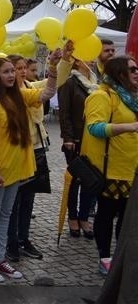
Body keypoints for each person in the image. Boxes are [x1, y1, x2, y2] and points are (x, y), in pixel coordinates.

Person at [0, 50, 59, 283]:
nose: (12, 75)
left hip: (17, 166)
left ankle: (0, 258)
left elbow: (48, 92)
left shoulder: (20, 96)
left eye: (13, 71)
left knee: (5, 214)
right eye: (6, 72)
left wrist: (52, 67)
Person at [81, 54, 138, 275]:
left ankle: (122, 256)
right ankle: (104, 256)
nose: (136, 73)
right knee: (106, 214)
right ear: (119, 73)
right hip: (110, 169)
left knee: (126, 217)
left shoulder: (131, 98)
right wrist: (128, 127)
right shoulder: (102, 96)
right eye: (132, 69)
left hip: (131, 168)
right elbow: (94, 128)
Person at [5, 54, 51, 262]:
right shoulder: (10, 94)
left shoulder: (31, 87)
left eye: (24, 67)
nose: (22, 71)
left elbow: (51, 87)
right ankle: (11, 241)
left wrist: (59, 64)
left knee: (28, 199)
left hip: (36, 147)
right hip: (18, 149)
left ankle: (24, 238)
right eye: (17, 68)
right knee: (14, 200)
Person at [58, 42, 99, 239]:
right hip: (75, 139)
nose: (91, 60)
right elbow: (64, 112)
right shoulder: (69, 82)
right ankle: (73, 217)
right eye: (86, 57)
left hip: (93, 139)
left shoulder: (95, 82)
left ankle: (84, 217)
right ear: (76, 62)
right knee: (75, 179)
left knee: (90, 179)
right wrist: (68, 137)